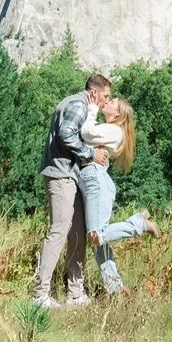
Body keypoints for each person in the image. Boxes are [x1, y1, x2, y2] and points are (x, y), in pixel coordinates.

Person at [33, 73, 112, 309]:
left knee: (78, 232)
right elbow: (66, 133)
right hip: (61, 175)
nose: (106, 102)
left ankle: (75, 293)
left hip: (70, 175)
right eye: (105, 97)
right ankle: (39, 294)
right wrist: (91, 154)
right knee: (59, 230)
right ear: (94, 92)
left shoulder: (77, 104)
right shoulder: (79, 105)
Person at [78, 96, 161, 294]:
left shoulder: (114, 130)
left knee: (96, 236)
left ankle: (139, 224)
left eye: (112, 102)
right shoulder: (110, 129)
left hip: (96, 179)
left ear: (118, 114)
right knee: (99, 242)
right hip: (95, 179)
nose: (107, 102)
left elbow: (86, 132)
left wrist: (92, 108)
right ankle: (115, 289)